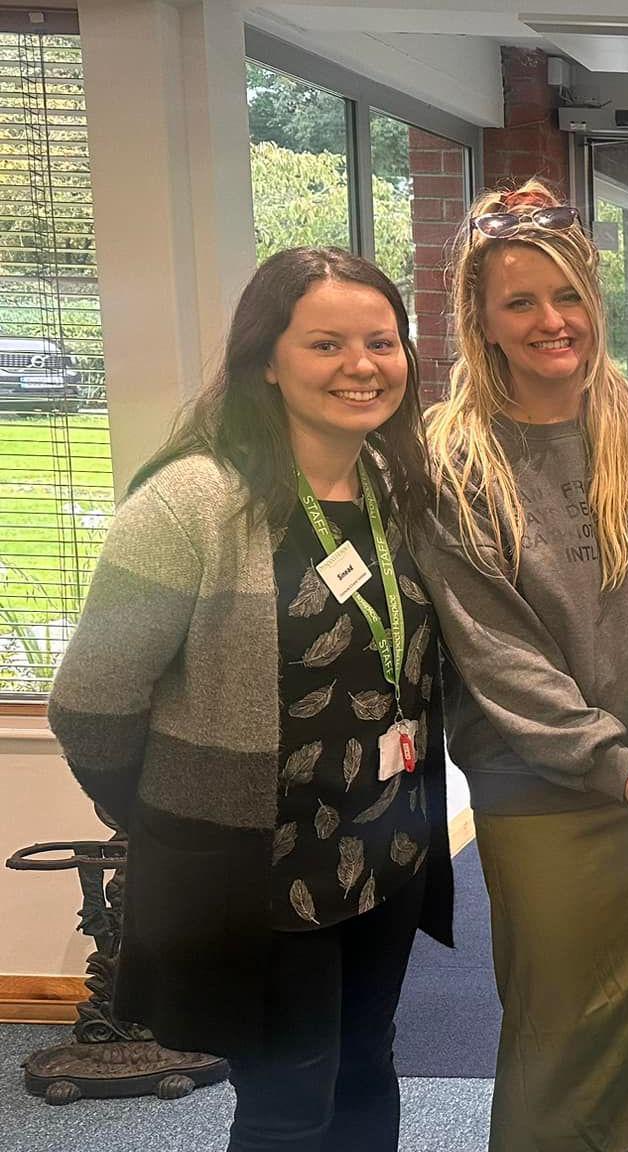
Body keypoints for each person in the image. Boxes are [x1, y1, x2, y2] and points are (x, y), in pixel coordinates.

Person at [49, 247, 453, 1152]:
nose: (361, 365)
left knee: (364, 1068)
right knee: (287, 1106)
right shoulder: (192, 502)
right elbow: (90, 700)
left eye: (381, 342)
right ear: (266, 358)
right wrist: (168, 816)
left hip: (383, 854)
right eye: (326, 343)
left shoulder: (393, 489)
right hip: (259, 868)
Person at [414, 180, 628, 1152]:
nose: (552, 321)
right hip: (542, 789)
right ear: (482, 319)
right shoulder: (451, 454)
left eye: (567, 296)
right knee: (555, 1030)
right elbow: (490, 646)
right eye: (520, 303)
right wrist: (604, 759)